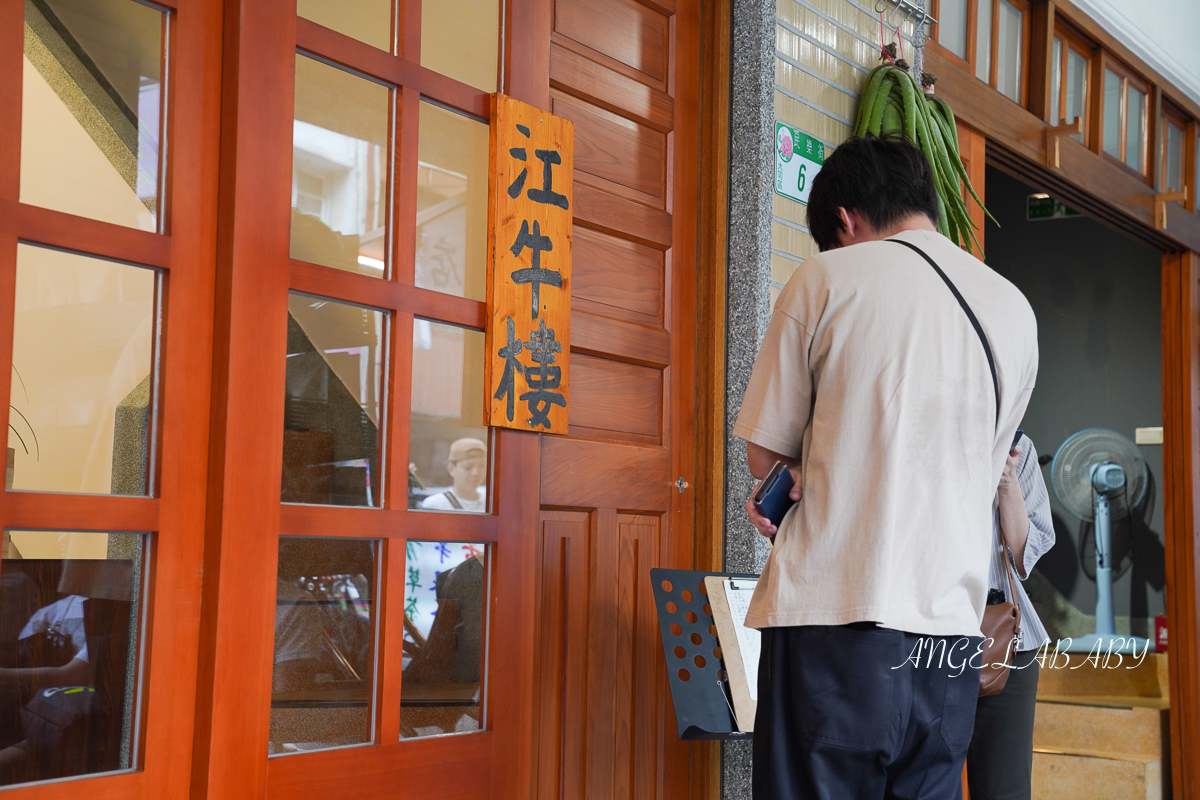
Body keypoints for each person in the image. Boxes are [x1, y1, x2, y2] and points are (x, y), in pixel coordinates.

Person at [735, 134, 1039, 799]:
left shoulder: (825, 279)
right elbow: (990, 471)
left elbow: (765, 454)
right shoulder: (1013, 309)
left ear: (845, 221)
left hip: (836, 620)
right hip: (950, 637)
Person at [967, 433, 1054, 800]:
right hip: (920, 638)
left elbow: (1022, 557)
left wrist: (1006, 480)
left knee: (1005, 789)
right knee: (918, 783)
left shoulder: (1019, 444)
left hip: (1005, 641)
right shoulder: (913, 427)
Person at [419, 438, 487, 512]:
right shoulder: (435, 504)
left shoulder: (492, 501)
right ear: (451, 468)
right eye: (468, 467)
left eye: (481, 466)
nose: (475, 473)